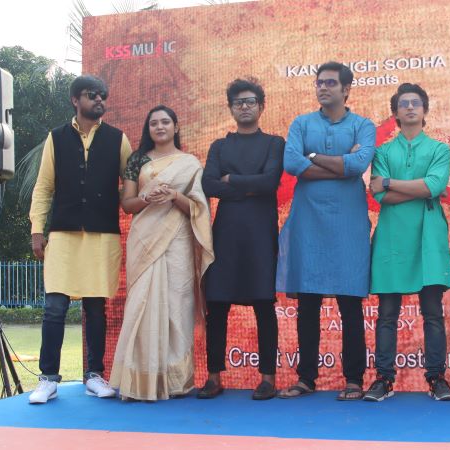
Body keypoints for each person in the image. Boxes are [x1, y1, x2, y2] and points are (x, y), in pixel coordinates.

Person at [28, 75, 132, 404]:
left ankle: (94, 375)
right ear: (75, 100)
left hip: (102, 237)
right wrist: (36, 229)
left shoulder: (118, 139)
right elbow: (44, 187)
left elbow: (132, 184)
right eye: (91, 95)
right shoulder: (56, 137)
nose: (99, 100)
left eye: (103, 95)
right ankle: (48, 379)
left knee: (96, 308)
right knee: (54, 308)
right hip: (63, 235)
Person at [276, 62, 376, 400]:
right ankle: (306, 379)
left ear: (346, 89)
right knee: (308, 302)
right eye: (319, 83)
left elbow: (359, 165)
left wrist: (313, 156)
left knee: (350, 304)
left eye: (331, 83)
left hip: (348, 224)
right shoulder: (301, 123)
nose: (323, 88)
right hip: (308, 223)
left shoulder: (362, 125)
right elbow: (292, 163)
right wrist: (340, 166)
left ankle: (354, 380)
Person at [109, 105, 213, 401]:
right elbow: (127, 205)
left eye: (165, 122)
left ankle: (176, 381)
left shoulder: (190, 163)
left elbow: (198, 209)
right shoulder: (137, 160)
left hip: (178, 240)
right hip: (145, 239)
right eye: (153, 123)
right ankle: (139, 382)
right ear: (148, 128)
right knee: (142, 305)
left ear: (176, 127)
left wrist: (174, 195)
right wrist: (147, 198)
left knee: (177, 306)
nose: (159, 127)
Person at [364, 83, 450, 402]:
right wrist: (418, 189)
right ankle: (383, 379)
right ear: (396, 113)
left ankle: (437, 378)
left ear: (425, 110)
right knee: (387, 314)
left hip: (428, 236)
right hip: (393, 238)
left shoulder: (440, 149)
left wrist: (391, 182)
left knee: (432, 313)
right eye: (404, 104)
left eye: (416, 103)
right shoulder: (383, 152)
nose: (411, 108)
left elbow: (435, 186)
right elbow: (380, 196)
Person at [198, 78, 284, 401]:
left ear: (261, 107)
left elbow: (270, 182)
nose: (244, 107)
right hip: (226, 232)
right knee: (217, 304)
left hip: (261, 231)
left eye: (250, 101)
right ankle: (213, 377)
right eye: (238, 102)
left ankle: (268, 378)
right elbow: (208, 185)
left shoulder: (274, 143)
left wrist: (231, 180)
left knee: (264, 304)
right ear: (231, 108)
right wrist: (248, 187)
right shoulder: (219, 146)